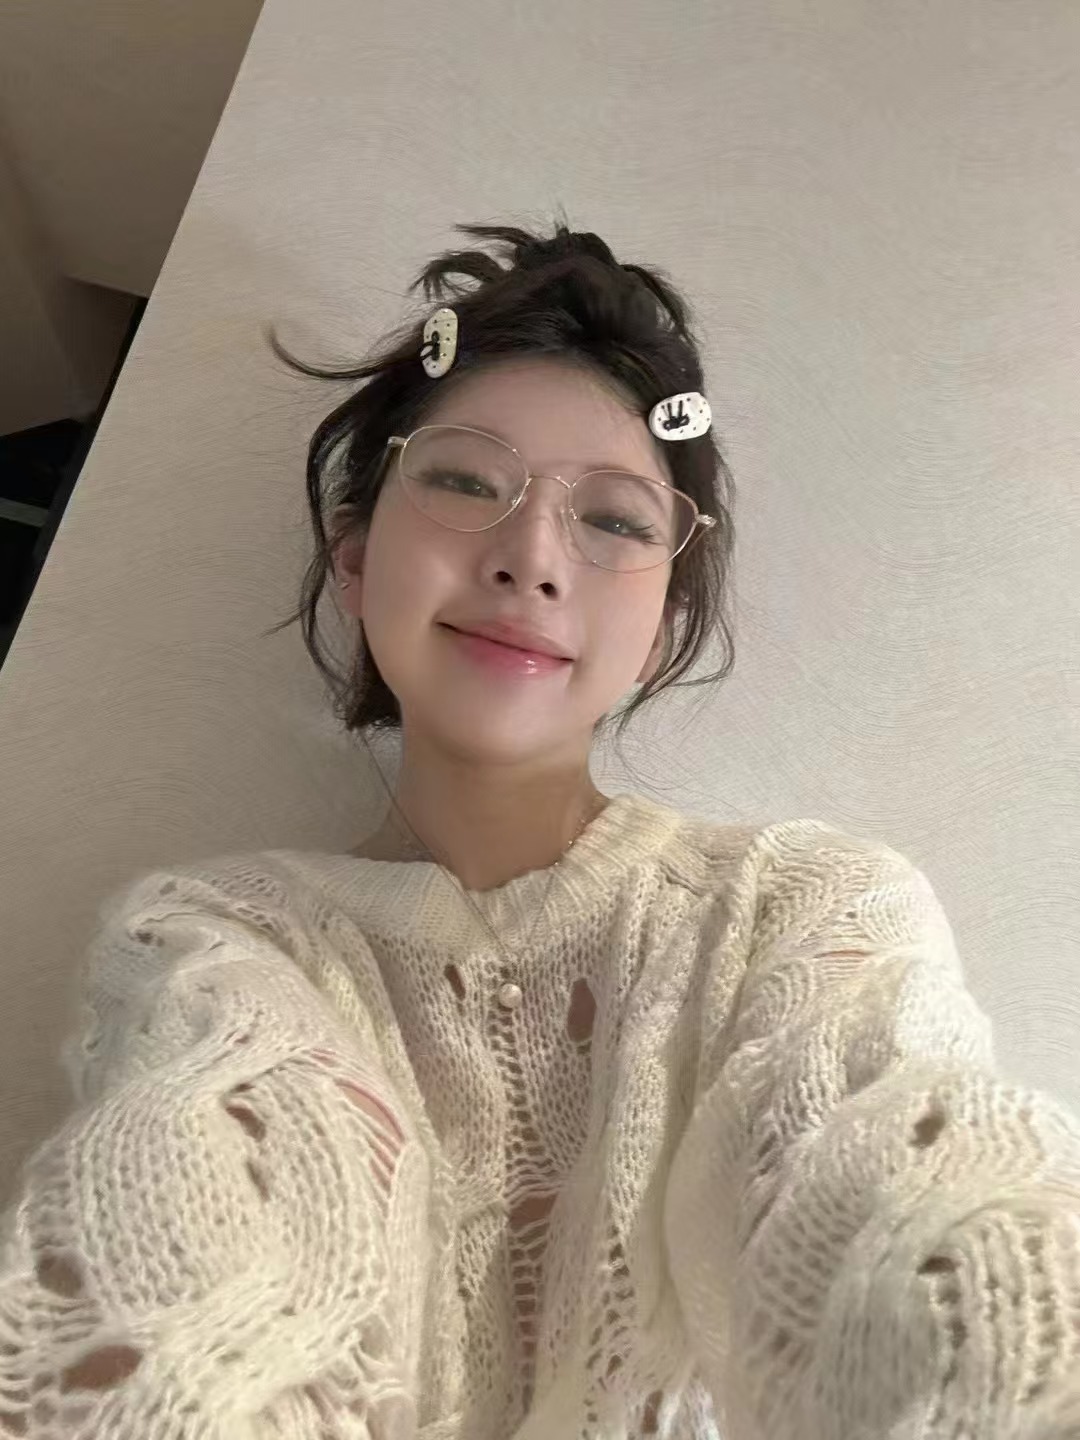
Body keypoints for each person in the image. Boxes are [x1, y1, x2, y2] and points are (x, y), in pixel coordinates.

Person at [1, 219, 1078, 1440]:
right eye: (465, 481)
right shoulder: (217, 942)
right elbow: (184, 1271)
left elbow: (919, 1202)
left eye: (615, 521)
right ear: (355, 558)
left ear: (663, 626)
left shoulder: (802, 914)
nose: (531, 556)